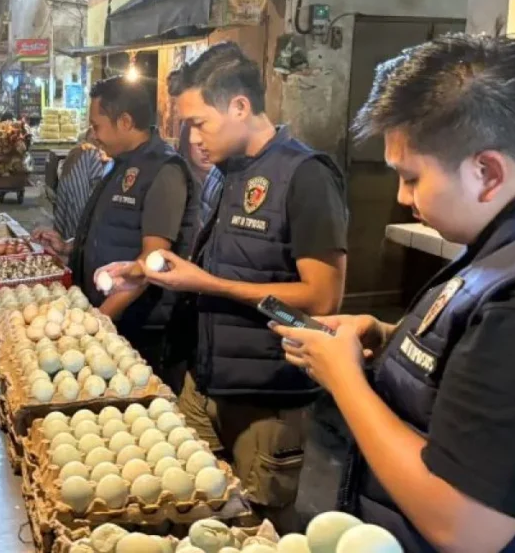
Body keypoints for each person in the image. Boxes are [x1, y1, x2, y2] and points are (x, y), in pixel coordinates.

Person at [273, 34, 515, 552]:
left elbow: (465, 527)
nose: (402, 197)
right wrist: (391, 340)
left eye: (412, 178)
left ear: (487, 172)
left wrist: (344, 379)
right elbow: (491, 364)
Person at [99, 42, 348, 529]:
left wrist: (210, 284)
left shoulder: (306, 177)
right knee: (187, 514)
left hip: (265, 401)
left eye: (199, 123)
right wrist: (144, 269)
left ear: (239, 106)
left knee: (254, 528)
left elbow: (320, 300)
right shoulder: (227, 173)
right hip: (204, 383)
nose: (192, 138)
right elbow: (225, 263)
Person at [33, 77, 199, 370]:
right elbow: (114, 232)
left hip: (138, 329)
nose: (93, 135)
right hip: (106, 316)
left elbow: (153, 261)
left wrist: (97, 323)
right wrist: (71, 247)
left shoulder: (164, 171)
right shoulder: (120, 163)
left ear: (124, 121)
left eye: (97, 126)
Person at [52, 129, 110, 243]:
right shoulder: (92, 154)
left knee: (67, 234)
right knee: (77, 235)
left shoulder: (74, 152)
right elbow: (97, 183)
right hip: (81, 203)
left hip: (68, 200)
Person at [178, 121, 222, 226]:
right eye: (198, 145)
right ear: (187, 145)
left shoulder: (223, 178)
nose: (205, 149)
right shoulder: (179, 178)